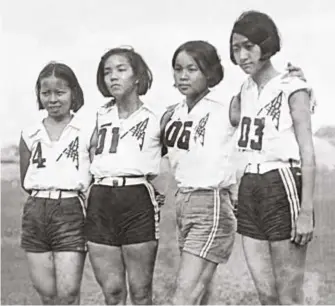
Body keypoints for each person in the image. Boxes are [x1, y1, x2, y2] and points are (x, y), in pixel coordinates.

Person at [229, 11, 316, 304]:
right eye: (236, 48)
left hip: (283, 182)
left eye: (248, 46)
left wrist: (306, 212)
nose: (241, 55)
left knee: (288, 297)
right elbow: (230, 119)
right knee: (266, 296)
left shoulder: (293, 87)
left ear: (266, 45)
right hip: (250, 186)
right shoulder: (245, 89)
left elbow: (307, 152)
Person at [161, 40, 238, 305]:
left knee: (184, 297)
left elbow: (266, 103)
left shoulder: (226, 105)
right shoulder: (174, 113)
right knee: (201, 295)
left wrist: (296, 85)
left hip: (212, 202)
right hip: (183, 202)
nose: (183, 75)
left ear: (209, 72)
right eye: (178, 68)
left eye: (192, 69)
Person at [85, 47, 162, 305]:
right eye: (107, 72)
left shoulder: (156, 118)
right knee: (113, 291)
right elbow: (89, 152)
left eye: (121, 70)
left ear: (137, 76)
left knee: (140, 292)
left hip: (136, 199)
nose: (113, 77)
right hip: (101, 199)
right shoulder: (100, 115)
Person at [19, 62, 93, 304]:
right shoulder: (30, 132)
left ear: (74, 93)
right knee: (47, 293)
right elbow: (25, 179)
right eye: (46, 93)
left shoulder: (86, 129)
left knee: (69, 292)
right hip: (36, 210)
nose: (52, 99)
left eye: (60, 92)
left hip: (70, 208)